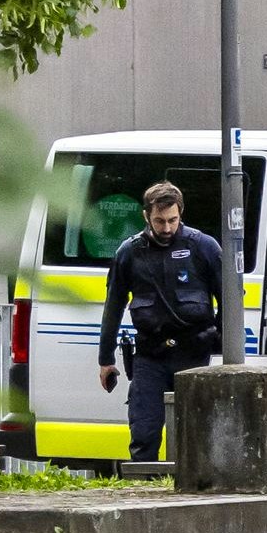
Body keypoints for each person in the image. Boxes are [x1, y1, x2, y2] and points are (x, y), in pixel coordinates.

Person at [95, 180, 228, 463]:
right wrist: (106, 359)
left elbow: (229, 300)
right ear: (146, 216)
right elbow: (114, 305)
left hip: (195, 353)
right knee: (143, 430)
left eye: (172, 220)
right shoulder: (129, 252)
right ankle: (143, 496)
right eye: (159, 221)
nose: (166, 228)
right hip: (150, 355)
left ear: (181, 213)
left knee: (196, 434)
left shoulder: (203, 247)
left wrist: (220, 347)